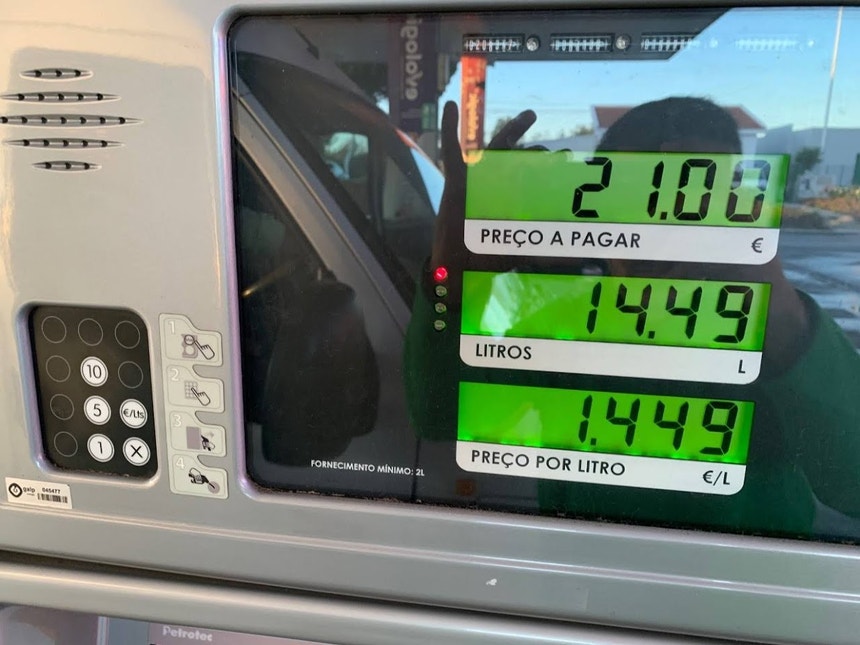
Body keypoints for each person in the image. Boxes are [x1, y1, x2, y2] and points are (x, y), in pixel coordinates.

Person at [404, 98, 860, 540]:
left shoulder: (782, 336)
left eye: (696, 198)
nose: (661, 228)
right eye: (638, 197)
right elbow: (437, 415)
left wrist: (780, 315)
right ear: (596, 206)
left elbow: (852, 484)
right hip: (585, 579)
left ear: (738, 206)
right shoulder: (559, 325)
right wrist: (450, 283)